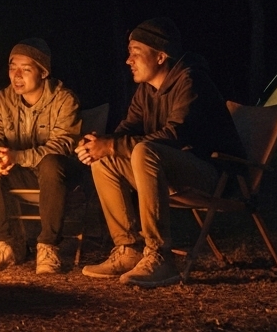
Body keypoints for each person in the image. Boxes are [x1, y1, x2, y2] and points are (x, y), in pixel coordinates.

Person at [76, 17, 244, 288]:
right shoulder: (146, 90)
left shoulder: (191, 81)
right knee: (105, 160)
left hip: (213, 175)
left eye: (135, 53)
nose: (128, 60)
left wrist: (113, 145)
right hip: (168, 172)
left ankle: (159, 256)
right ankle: (129, 249)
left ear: (161, 56)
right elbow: (128, 128)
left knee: (143, 150)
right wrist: (99, 144)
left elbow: (175, 135)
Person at [0, 38, 82, 274]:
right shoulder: (2, 100)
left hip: (61, 177)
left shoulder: (64, 100)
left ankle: (48, 246)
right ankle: (4, 245)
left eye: (26, 69)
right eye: (13, 67)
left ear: (43, 73)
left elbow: (61, 146)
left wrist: (16, 157)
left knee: (51, 164)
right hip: (24, 174)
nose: (16, 75)